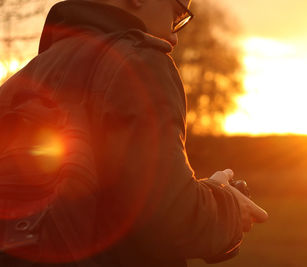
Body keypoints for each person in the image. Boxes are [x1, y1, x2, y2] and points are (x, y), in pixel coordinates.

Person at [0, 0, 268, 266]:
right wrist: (229, 205)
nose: (174, 35)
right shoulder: (137, 61)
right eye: (177, 13)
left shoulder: (18, 83)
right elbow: (170, 216)